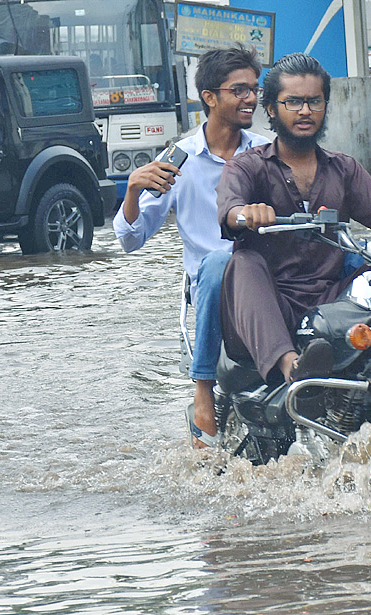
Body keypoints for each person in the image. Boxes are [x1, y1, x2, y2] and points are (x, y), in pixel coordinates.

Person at [216, 53, 371, 385]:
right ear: (273, 109)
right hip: (267, 304)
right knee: (243, 263)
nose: (305, 111)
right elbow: (229, 207)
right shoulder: (247, 166)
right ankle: (293, 367)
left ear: (324, 107)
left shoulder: (344, 169)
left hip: (333, 300)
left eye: (314, 102)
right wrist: (246, 214)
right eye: (293, 102)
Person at [113, 44, 270, 446]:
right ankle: (203, 389)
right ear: (209, 98)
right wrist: (132, 189)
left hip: (269, 278)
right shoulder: (179, 159)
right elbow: (130, 239)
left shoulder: (266, 151)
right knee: (220, 261)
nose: (250, 97)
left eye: (254, 88)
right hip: (212, 288)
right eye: (239, 90)